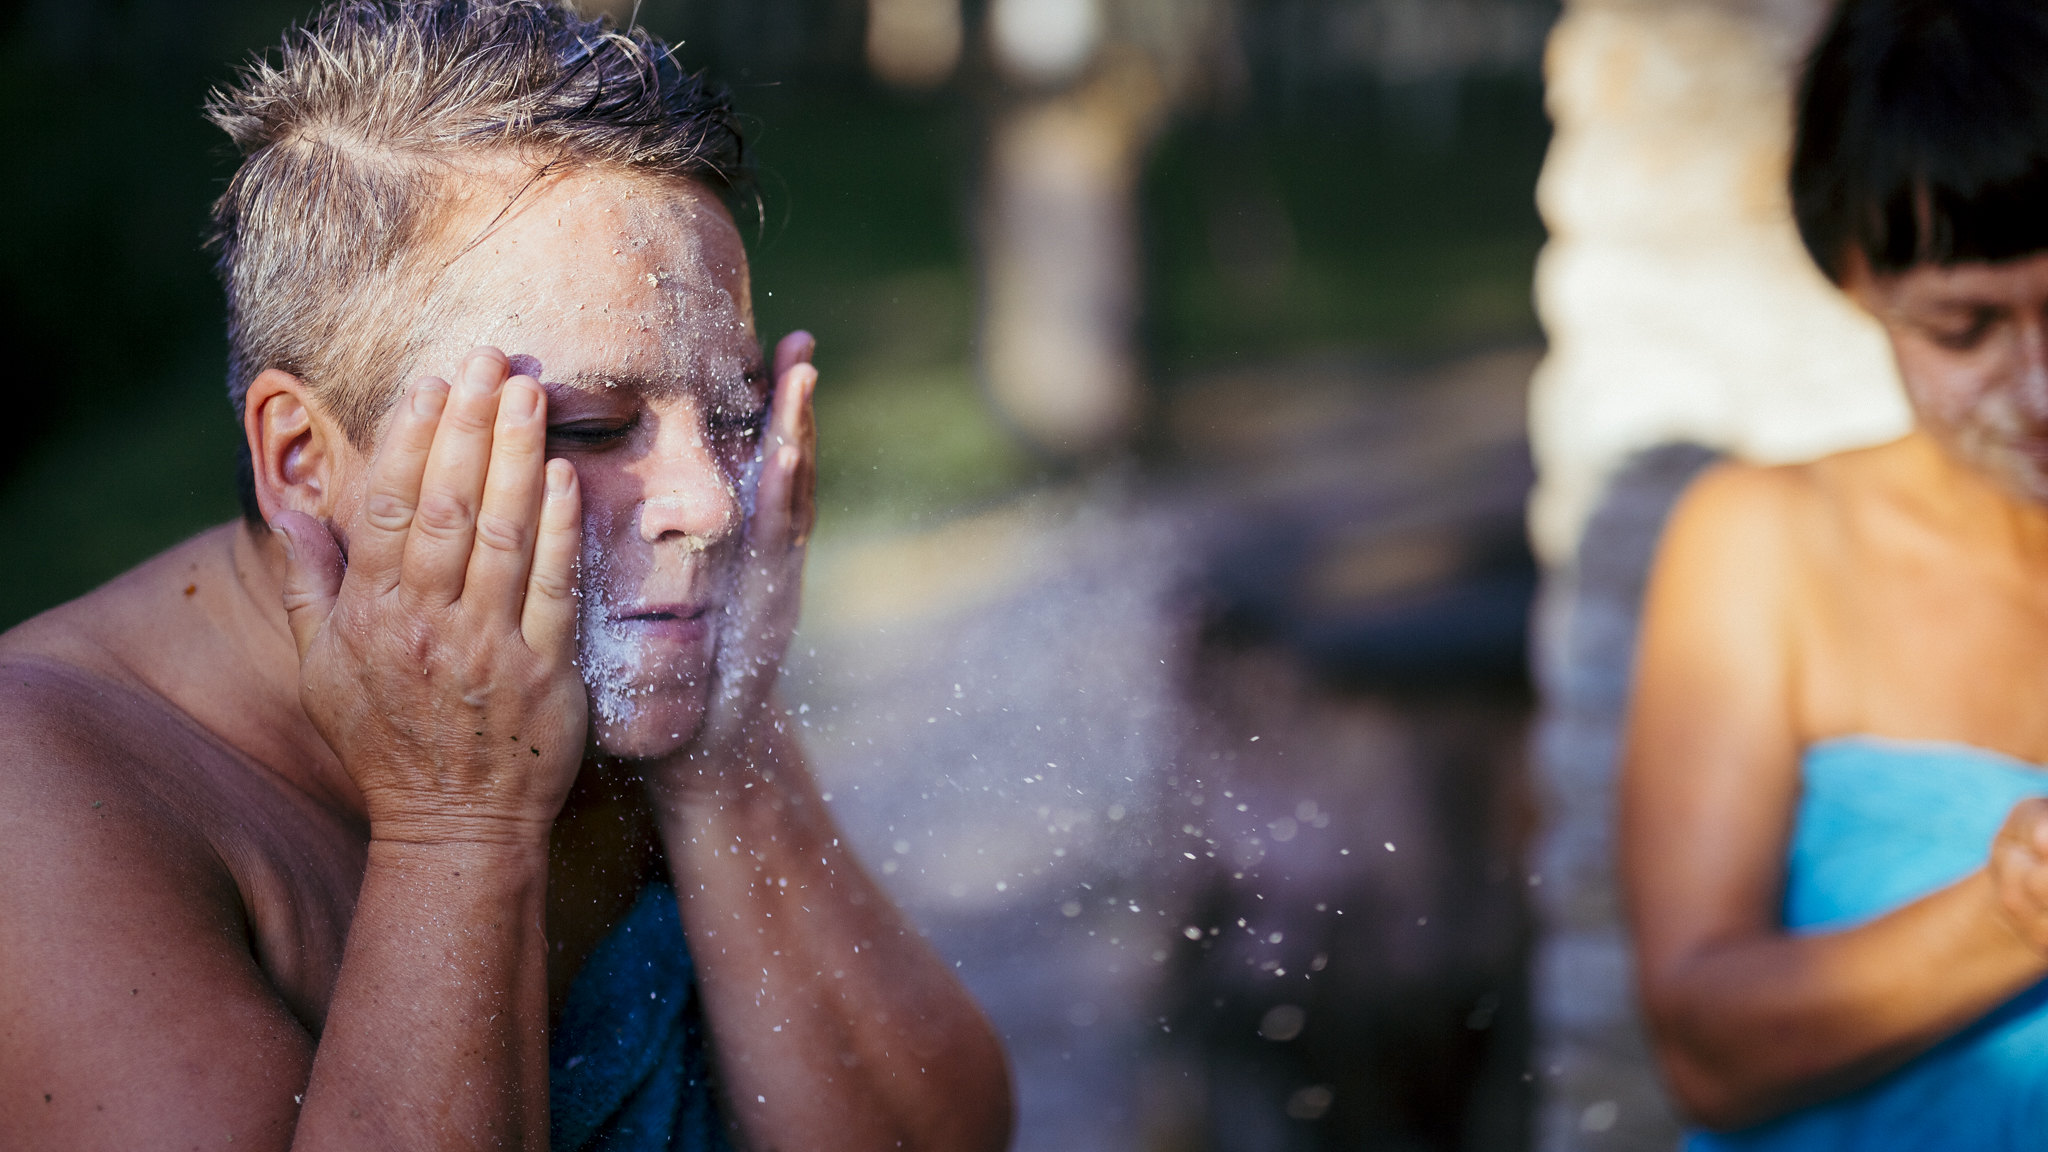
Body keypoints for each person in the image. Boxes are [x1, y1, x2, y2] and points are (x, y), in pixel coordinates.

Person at [0, 2, 1013, 1149]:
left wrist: (723, 748)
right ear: (302, 461)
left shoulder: (628, 671)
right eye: (585, 427)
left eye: (730, 416)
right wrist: (454, 828)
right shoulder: (37, 787)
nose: (711, 506)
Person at [1621, 0, 2048, 1146]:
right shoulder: (1767, 545)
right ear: (1854, 278)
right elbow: (1702, 1050)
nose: (2037, 393)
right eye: (1963, 330)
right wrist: (2012, 917)